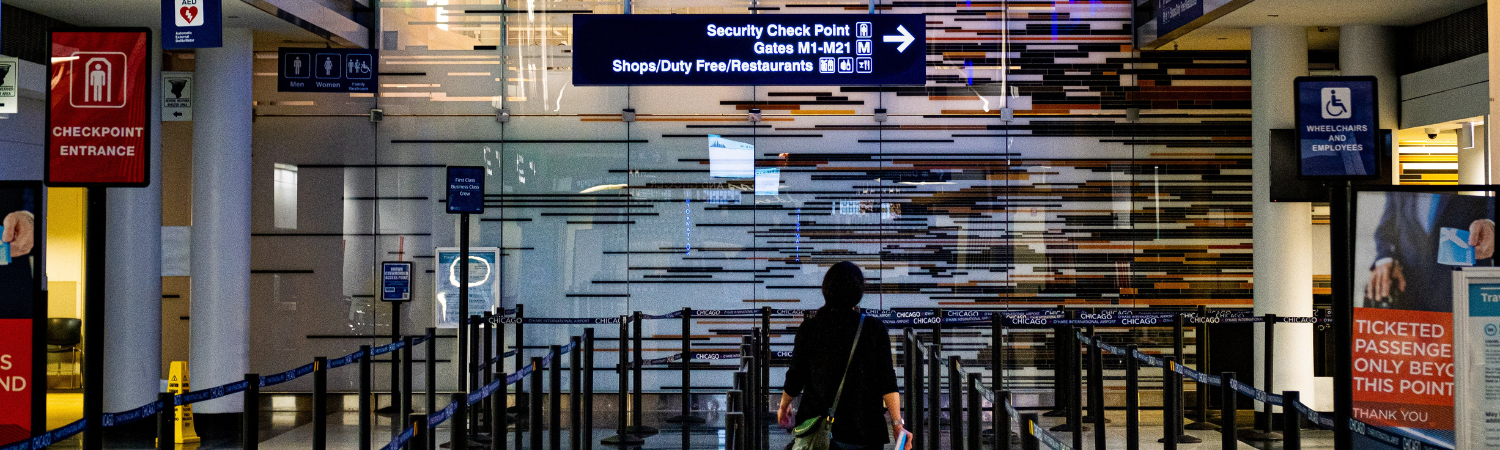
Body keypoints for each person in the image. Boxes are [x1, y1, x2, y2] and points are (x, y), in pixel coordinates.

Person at [778, 261, 908, 450]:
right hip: (866, 434)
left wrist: (784, 406)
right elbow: (887, 381)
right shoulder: (874, 329)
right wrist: (897, 424)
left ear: (826, 290)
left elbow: (795, 378)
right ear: (858, 293)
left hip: (821, 433)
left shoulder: (810, 329)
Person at [1365, 191, 1494, 312]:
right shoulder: (1400, 176)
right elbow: (1386, 228)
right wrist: (1385, 258)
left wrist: (1492, 225)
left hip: (1465, 294)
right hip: (1411, 293)